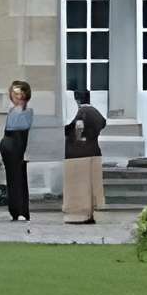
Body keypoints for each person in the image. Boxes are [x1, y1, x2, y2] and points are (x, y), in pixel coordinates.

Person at [62, 88, 108, 224]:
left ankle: (80, 215)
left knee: (80, 186)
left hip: (79, 154)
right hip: (94, 150)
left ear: (77, 99)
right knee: (92, 185)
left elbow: (77, 129)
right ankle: (91, 214)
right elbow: (103, 123)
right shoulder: (96, 113)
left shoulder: (81, 113)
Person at [0, 81, 35, 224]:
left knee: (18, 179)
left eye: (19, 93)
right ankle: (16, 210)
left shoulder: (25, 111)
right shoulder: (14, 110)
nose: (16, 96)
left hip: (17, 145)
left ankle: (20, 210)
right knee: (13, 179)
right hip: (10, 146)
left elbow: (22, 131)